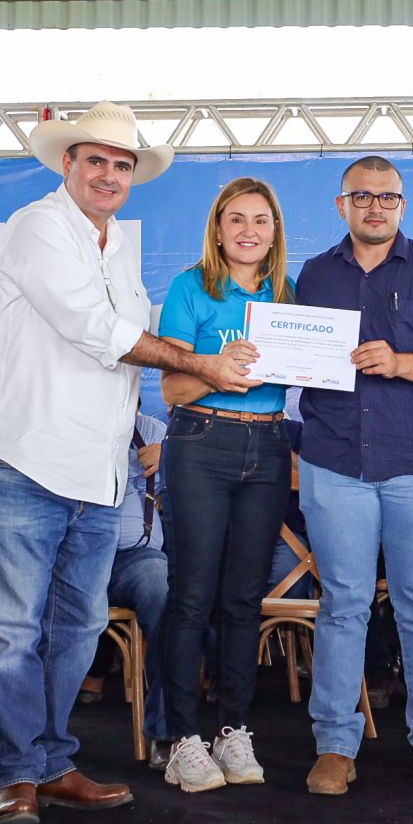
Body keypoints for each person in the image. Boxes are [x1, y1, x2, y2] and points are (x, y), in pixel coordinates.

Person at [0, 102, 259, 824]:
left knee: (78, 628)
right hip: (22, 457)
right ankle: (16, 773)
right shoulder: (36, 226)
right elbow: (98, 331)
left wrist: (213, 346)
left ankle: (52, 761)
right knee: (12, 629)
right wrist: (202, 363)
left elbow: (131, 332)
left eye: (122, 165)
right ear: (68, 164)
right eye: (96, 160)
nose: (109, 175)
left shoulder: (116, 243)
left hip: (97, 469)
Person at [296, 156, 413, 796]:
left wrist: (400, 362)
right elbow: (297, 355)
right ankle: (334, 746)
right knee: (342, 604)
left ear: (403, 204)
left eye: (387, 198)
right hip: (334, 459)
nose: (375, 207)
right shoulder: (314, 274)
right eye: (362, 196)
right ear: (340, 204)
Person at [155, 177, 295, 792]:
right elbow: (171, 389)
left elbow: (304, 367)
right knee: (192, 594)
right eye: (236, 219)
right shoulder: (190, 288)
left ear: (274, 231)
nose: (248, 231)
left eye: (260, 220)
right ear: (217, 229)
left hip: (268, 445)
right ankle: (183, 739)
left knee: (244, 599)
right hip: (201, 442)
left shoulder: (286, 294)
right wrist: (218, 371)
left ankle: (233, 730)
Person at [77, 407, 170, 772]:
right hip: (73, 558)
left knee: (162, 589)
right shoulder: (62, 420)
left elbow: (202, 481)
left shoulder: (153, 431)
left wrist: (173, 458)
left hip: (135, 557)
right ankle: (29, 742)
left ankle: (167, 731)